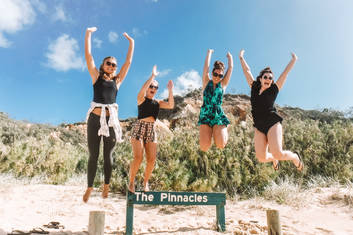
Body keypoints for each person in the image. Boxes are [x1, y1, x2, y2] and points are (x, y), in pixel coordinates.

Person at [83, 27, 134, 202]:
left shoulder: (117, 81)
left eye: (113, 64)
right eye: (108, 63)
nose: (111, 66)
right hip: (94, 120)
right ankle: (89, 187)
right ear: (103, 65)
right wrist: (88, 34)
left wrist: (131, 42)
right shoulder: (96, 77)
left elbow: (128, 62)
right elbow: (89, 57)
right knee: (93, 155)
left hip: (111, 120)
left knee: (108, 155)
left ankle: (106, 186)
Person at [239, 49, 303, 171]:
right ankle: (274, 159)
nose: (268, 79)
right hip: (259, 125)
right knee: (261, 158)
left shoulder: (273, 90)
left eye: (270, 78)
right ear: (261, 79)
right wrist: (241, 58)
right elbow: (247, 71)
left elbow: (285, 74)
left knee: (278, 152)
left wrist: (293, 60)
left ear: (272, 81)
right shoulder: (254, 88)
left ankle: (295, 157)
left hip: (272, 122)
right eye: (265, 77)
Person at [128, 65, 174, 193]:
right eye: (151, 86)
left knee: (152, 159)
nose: (153, 88)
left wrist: (170, 90)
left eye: (155, 87)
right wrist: (152, 76)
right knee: (138, 157)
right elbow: (142, 89)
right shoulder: (141, 99)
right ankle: (131, 182)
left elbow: (170, 105)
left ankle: (145, 182)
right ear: (148, 87)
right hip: (139, 127)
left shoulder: (158, 102)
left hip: (151, 129)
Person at [198, 49, 233, 152]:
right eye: (215, 74)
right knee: (204, 147)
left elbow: (230, 68)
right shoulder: (206, 81)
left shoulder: (223, 84)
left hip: (218, 115)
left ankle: (222, 129)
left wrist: (230, 58)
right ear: (212, 73)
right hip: (205, 114)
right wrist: (209, 53)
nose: (217, 77)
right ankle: (211, 132)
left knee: (221, 144)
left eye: (220, 75)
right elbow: (206, 68)